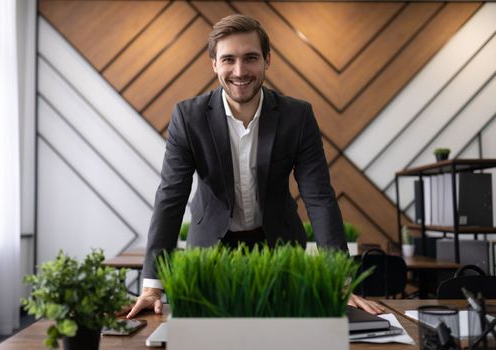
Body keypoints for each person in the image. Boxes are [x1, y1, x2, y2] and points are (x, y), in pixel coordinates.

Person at [126, 14, 383, 318]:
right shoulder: (187, 117)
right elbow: (171, 197)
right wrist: (152, 287)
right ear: (214, 64)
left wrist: (339, 282)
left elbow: (319, 197)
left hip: (280, 248)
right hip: (210, 250)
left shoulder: (297, 116)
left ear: (267, 60)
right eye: (228, 59)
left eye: (250, 58)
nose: (239, 70)